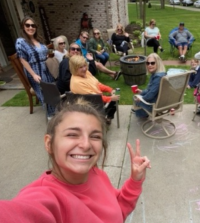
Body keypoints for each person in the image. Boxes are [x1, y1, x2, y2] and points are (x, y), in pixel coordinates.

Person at [0, 99, 151, 222]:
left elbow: (118, 210)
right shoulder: (45, 197)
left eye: (95, 136)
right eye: (72, 134)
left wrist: (134, 181)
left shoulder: (97, 174)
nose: (86, 145)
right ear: (49, 143)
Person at [15, 16, 55, 117]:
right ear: (23, 27)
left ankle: (55, 110)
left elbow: (43, 52)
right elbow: (22, 59)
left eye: (33, 25)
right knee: (46, 92)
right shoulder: (21, 41)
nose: (30, 27)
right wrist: (33, 75)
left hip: (45, 68)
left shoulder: (38, 40)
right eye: (27, 25)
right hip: (35, 70)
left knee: (54, 87)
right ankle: (50, 115)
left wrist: (45, 55)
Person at [69, 55, 119, 125]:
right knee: (115, 101)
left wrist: (110, 90)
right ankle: (104, 117)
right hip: (90, 105)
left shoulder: (85, 73)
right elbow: (95, 98)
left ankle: (105, 117)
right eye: (80, 67)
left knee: (114, 98)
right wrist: (110, 98)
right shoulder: (77, 82)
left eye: (84, 66)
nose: (84, 69)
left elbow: (97, 84)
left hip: (94, 100)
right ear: (74, 68)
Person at [132, 53, 166, 118]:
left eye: (152, 63)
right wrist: (141, 92)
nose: (149, 65)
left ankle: (141, 114)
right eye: (148, 63)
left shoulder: (157, 77)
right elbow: (151, 90)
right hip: (161, 103)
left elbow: (150, 95)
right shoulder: (162, 74)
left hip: (154, 106)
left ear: (158, 63)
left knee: (135, 98)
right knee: (140, 96)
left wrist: (141, 99)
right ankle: (139, 111)